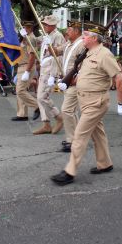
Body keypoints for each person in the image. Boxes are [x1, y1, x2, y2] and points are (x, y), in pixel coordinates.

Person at [51, 22, 122, 186]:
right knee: (97, 134)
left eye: (85, 35)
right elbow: (85, 76)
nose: (83, 38)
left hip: (96, 102)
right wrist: (68, 82)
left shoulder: (104, 54)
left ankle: (69, 171)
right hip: (85, 101)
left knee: (79, 135)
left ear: (93, 38)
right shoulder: (88, 53)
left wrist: (121, 104)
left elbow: (119, 78)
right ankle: (105, 163)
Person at [33, 15, 66, 135]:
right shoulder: (47, 35)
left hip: (50, 69)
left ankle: (59, 117)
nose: (44, 26)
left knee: (42, 97)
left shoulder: (58, 36)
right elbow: (36, 42)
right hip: (44, 68)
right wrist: (26, 35)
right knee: (40, 98)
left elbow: (59, 56)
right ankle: (46, 124)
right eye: (44, 24)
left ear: (52, 25)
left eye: (46, 24)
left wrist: (53, 74)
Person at [55, 20, 85, 152]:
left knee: (66, 110)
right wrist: (47, 43)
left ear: (76, 31)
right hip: (66, 82)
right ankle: (78, 138)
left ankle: (72, 141)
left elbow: (83, 68)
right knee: (72, 111)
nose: (67, 32)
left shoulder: (82, 45)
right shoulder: (69, 43)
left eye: (69, 29)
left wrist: (71, 82)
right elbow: (55, 51)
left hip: (74, 83)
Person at [11, 21, 40, 122]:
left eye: (27, 27)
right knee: (20, 91)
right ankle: (22, 114)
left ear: (31, 28)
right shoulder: (25, 38)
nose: (25, 29)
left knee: (20, 90)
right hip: (21, 66)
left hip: (27, 66)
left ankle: (37, 106)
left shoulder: (31, 38)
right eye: (24, 27)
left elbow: (32, 56)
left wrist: (27, 71)